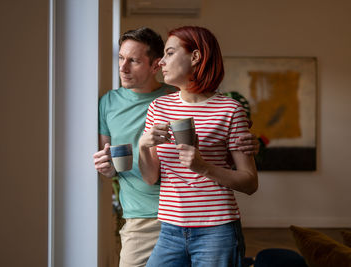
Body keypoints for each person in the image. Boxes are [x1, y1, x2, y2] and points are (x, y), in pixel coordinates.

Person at [93, 27, 259, 267]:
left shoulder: (228, 109)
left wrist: (203, 166)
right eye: (121, 58)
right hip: (168, 226)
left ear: (195, 57)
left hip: (216, 228)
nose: (162, 62)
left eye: (169, 54)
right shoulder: (158, 107)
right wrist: (142, 147)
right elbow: (150, 176)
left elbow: (250, 182)